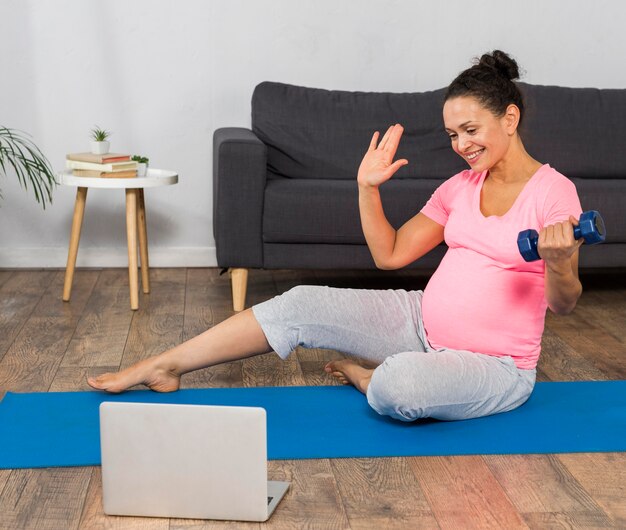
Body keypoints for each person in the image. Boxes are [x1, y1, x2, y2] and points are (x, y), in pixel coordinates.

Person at [88, 50, 583, 422]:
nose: (461, 145)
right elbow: (389, 256)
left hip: (496, 366)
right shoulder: (458, 187)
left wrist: (559, 263)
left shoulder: (554, 194)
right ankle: (163, 365)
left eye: (470, 130)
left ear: (510, 118)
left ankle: (366, 374)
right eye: (453, 134)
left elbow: (564, 304)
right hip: (418, 322)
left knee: (401, 387)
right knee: (301, 302)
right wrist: (367, 188)